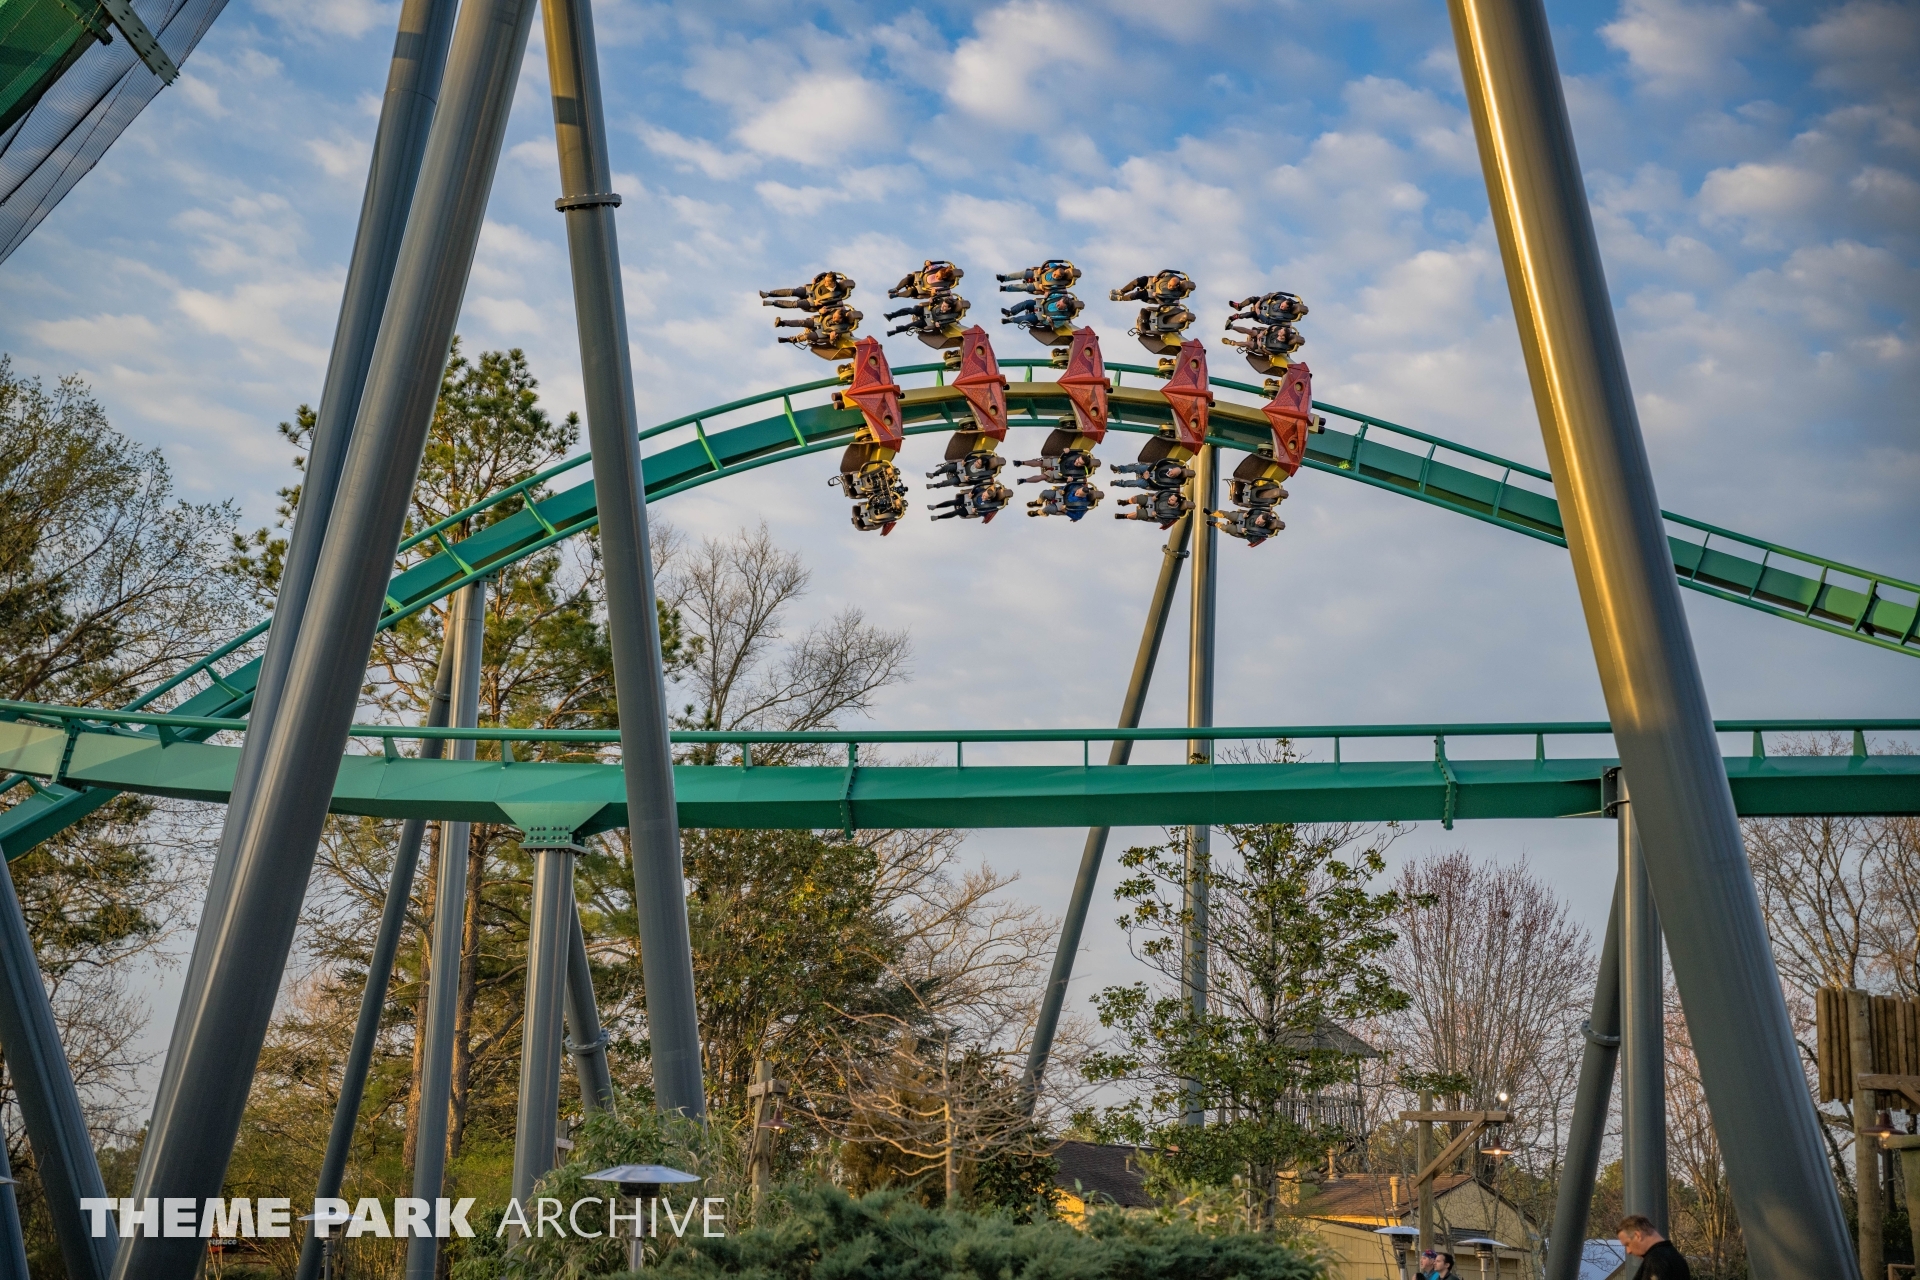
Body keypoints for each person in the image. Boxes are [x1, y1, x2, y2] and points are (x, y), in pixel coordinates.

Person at [1617, 1215, 1690, 1279]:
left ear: (1637, 1235)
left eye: (1627, 1244)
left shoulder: (1656, 1260)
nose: (1628, 1251)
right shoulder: (1676, 1257)